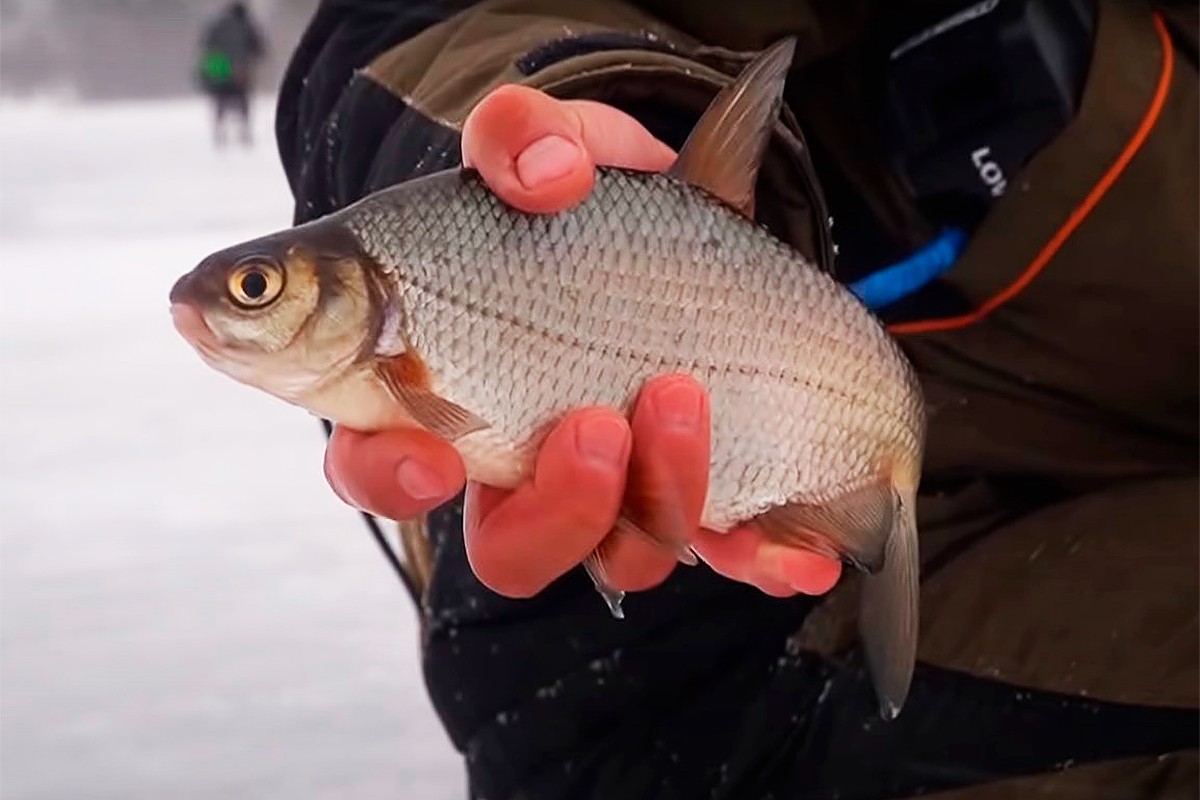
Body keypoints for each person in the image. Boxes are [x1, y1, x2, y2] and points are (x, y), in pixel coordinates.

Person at [274, 1, 1199, 797]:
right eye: (259, 294)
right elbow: (407, 24)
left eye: (256, 294)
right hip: (690, 659)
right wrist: (591, 137)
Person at [196, 1, 266, 147]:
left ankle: (219, 132)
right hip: (240, 71)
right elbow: (258, 48)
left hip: (220, 70)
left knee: (221, 101)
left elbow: (206, 46)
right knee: (242, 102)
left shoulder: (216, 25)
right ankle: (245, 132)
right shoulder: (246, 25)